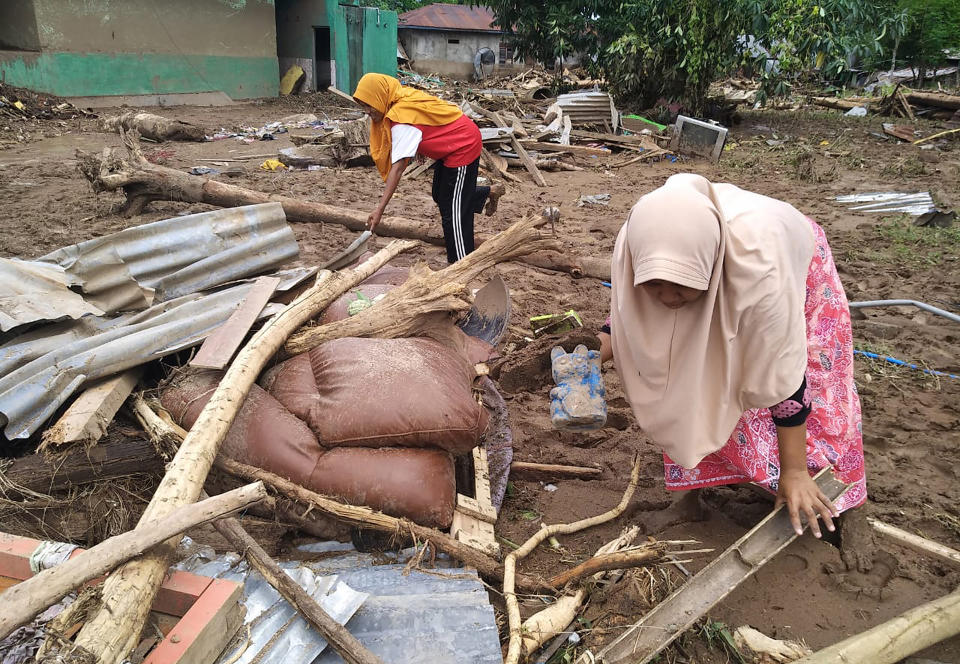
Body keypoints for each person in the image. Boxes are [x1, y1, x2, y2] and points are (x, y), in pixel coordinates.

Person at [598, 173, 866, 538]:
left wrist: (795, 471)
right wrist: (590, 354)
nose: (668, 299)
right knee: (682, 375)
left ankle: (835, 500)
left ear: (709, 268)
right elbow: (631, 315)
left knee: (820, 378)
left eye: (681, 287)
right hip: (701, 251)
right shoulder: (636, 242)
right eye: (654, 285)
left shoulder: (763, 279)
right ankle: (688, 500)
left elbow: (787, 377)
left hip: (791, 260)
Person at [352, 73, 504, 263]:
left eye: (368, 104)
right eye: (363, 106)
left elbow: (397, 169)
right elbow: (427, 119)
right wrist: (419, 147)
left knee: (454, 212)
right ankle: (489, 192)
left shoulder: (401, 118)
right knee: (440, 194)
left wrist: (380, 210)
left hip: (462, 145)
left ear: (379, 96)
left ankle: (460, 263)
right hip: (449, 144)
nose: (367, 111)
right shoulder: (399, 97)